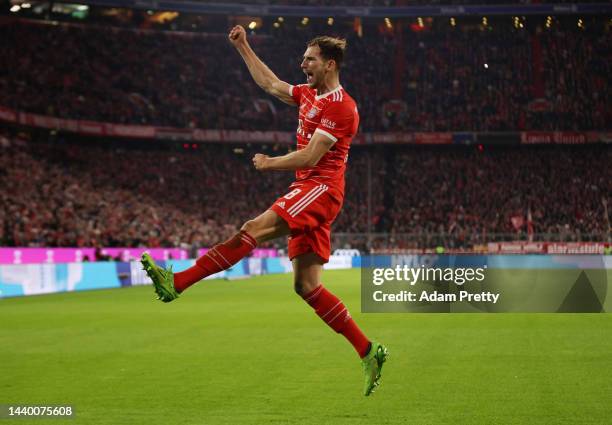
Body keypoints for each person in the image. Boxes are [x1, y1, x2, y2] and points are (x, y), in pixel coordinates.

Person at [141, 25, 388, 396]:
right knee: (306, 287)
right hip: (308, 188)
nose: (302, 63)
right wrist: (243, 46)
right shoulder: (308, 94)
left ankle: (177, 283)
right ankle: (368, 351)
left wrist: (269, 163)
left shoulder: (342, 107)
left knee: (252, 228)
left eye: (310, 59)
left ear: (330, 64)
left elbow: (310, 156)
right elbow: (271, 84)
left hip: (320, 189)